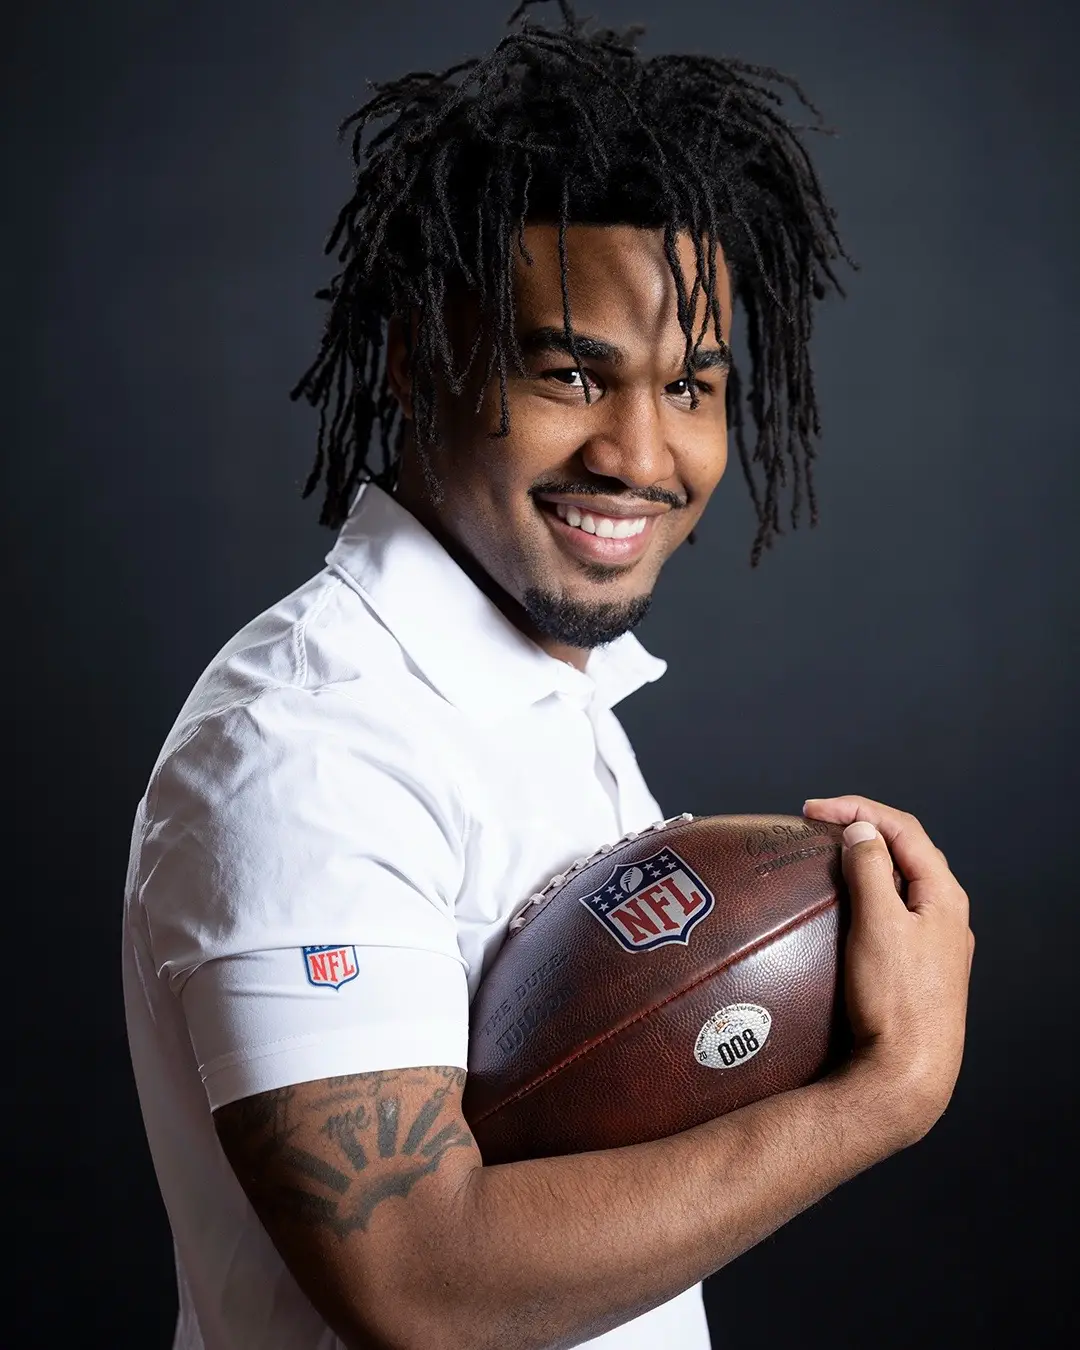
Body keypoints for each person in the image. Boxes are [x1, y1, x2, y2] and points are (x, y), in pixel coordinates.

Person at [121, 3, 974, 1348]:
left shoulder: (539, 687)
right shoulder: (312, 742)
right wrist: (882, 1094)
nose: (639, 455)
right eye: (573, 372)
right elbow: (413, 1277)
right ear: (419, 359)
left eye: (690, 387)